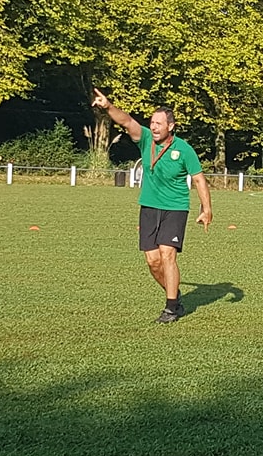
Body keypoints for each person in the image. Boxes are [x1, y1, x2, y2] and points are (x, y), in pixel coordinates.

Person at [92, 88, 214, 323]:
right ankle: (175, 296)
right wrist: (108, 107)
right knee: (153, 261)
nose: (154, 127)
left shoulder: (184, 149)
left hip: (175, 208)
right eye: (152, 123)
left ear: (171, 126)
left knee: (168, 255)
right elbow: (127, 121)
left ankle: (170, 309)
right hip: (148, 208)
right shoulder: (146, 139)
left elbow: (198, 178)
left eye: (159, 123)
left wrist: (206, 208)